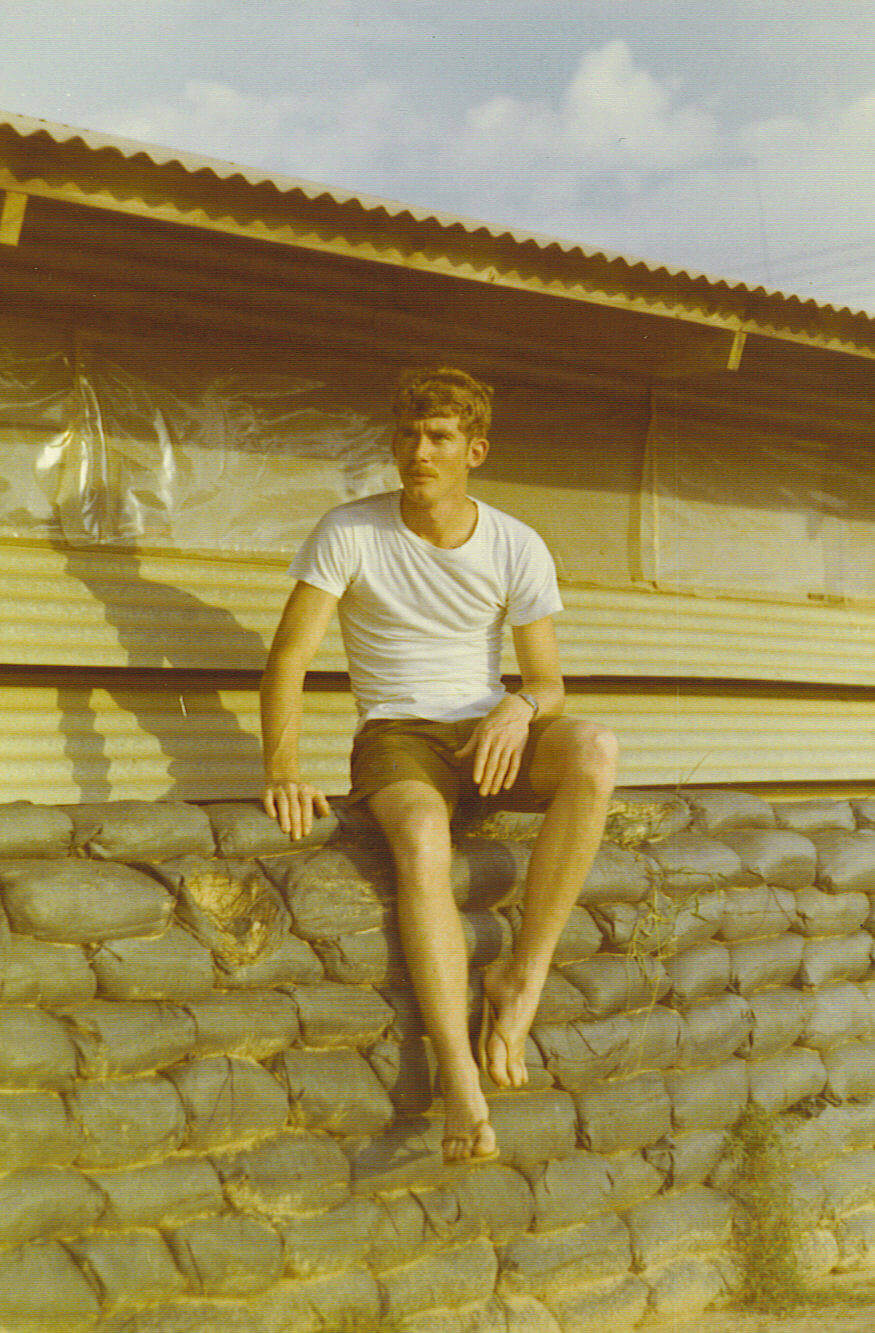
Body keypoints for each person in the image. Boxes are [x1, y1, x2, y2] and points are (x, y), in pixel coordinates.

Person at [260, 367, 618, 1163]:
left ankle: (520, 977)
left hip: (485, 731)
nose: (418, 451)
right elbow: (288, 658)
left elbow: (548, 679)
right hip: (396, 734)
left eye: (439, 437)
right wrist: (282, 766)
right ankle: (459, 1077)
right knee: (422, 836)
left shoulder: (515, 542)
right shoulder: (347, 530)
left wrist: (519, 706)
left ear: (474, 450)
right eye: (407, 435)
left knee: (594, 747)